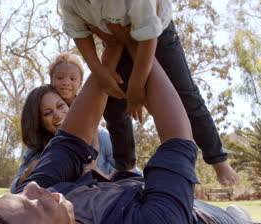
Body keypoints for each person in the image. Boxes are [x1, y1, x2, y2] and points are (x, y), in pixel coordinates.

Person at [0, 37, 261, 224]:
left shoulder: (48, 200)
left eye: (23, 192)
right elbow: (178, 140)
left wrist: (111, 45)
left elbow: (69, 140)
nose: (32, 187)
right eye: (33, 201)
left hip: (164, 203)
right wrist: (142, 40)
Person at [59, 0, 240, 186]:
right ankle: (125, 166)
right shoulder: (69, 2)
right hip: (114, 39)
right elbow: (79, 33)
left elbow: (147, 35)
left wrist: (137, 87)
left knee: (186, 97)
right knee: (113, 104)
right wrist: (98, 70)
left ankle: (218, 160)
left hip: (159, 37)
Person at [10, 85, 116, 193]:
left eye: (60, 106)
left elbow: (131, 174)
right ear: (40, 122)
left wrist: (101, 176)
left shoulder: (101, 135)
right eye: (48, 113)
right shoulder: (37, 148)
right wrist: (26, 175)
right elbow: (15, 190)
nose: (58, 115)